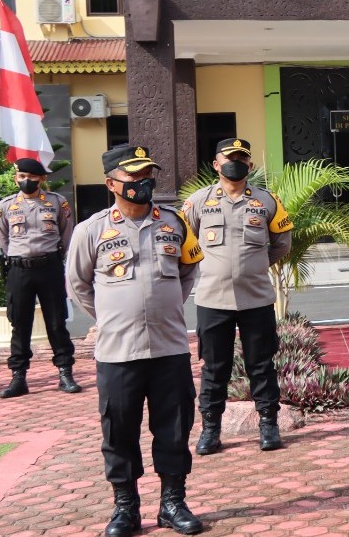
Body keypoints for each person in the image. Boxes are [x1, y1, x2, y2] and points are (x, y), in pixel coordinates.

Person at [65, 145, 205, 536]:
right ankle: (125, 508)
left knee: (174, 428)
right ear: (111, 183)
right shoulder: (90, 230)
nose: (143, 183)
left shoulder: (175, 223)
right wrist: (112, 317)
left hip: (169, 347)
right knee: (119, 431)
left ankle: (172, 504)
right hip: (118, 352)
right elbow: (78, 285)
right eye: (133, 176)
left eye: (147, 175)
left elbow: (188, 270)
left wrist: (166, 306)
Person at [182, 138, 294, 454]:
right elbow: (184, 242)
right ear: (216, 165)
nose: (236, 163)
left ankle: (268, 425)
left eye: (241, 159)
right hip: (212, 300)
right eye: (229, 158)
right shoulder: (198, 202)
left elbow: (282, 243)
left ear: (250, 165)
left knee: (261, 365)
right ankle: (211, 429)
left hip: (256, 299)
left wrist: (254, 265)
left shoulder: (267, 201)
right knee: (214, 368)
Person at [0, 158, 78, 397]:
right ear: (16, 179)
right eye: (22, 176)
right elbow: (3, 240)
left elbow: (66, 235)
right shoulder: (6, 206)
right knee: (20, 324)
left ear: (42, 179)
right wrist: (19, 256)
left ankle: (65, 373)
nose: (27, 181)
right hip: (19, 270)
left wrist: (53, 257)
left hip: (49, 267)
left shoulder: (57, 203)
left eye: (32, 177)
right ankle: (18, 377)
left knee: (56, 322)